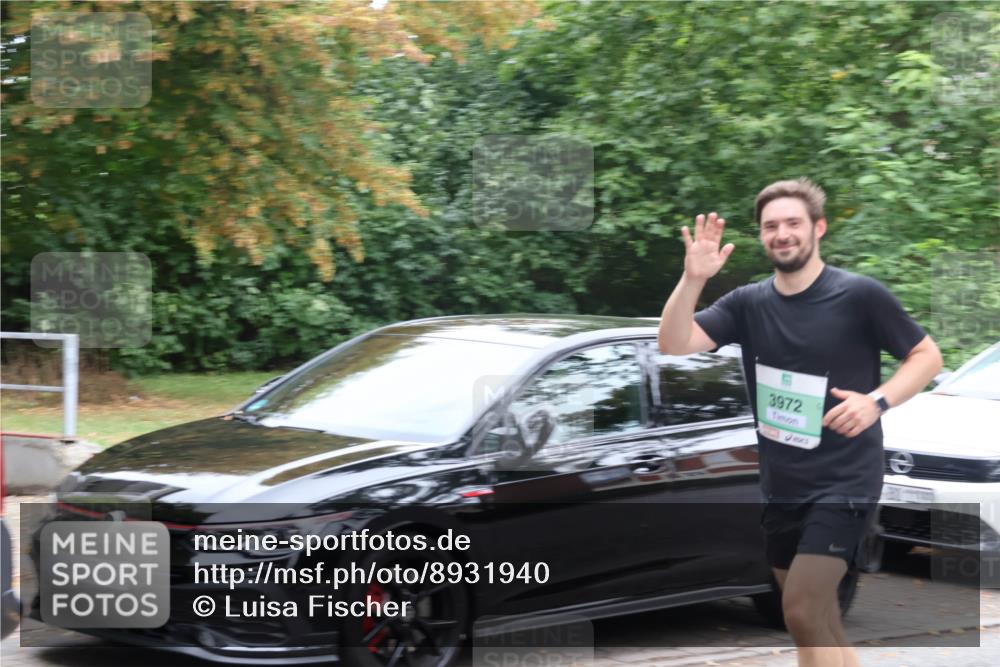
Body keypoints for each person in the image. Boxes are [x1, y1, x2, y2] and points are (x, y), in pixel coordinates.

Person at [656, 177, 942, 667]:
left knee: (802, 610)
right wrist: (694, 278)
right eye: (771, 226)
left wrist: (876, 401)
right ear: (762, 236)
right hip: (783, 484)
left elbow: (926, 356)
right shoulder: (748, 303)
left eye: (793, 223)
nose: (782, 233)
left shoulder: (858, 296)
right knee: (817, 621)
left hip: (845, 480)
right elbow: (674, 342)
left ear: (818, 229)